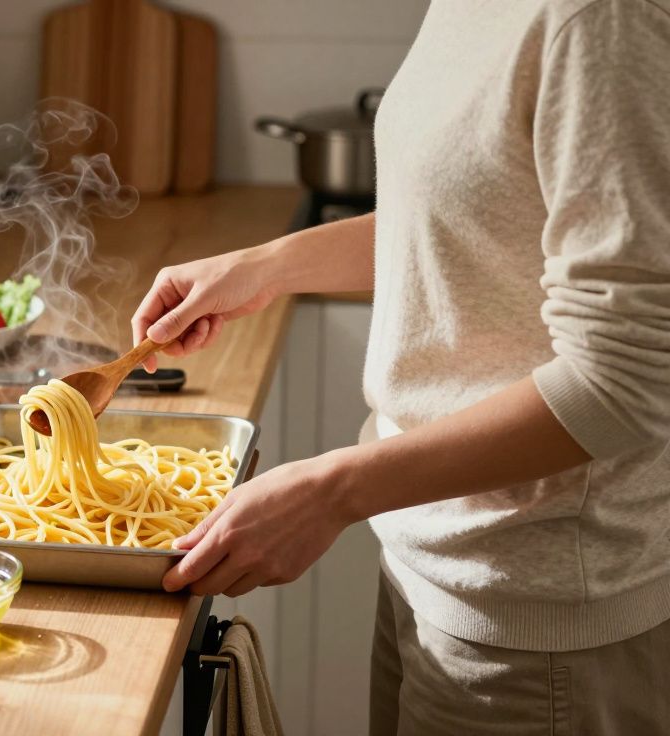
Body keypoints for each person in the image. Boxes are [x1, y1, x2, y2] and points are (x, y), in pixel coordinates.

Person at [131, 1, 670, 733]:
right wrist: (264, 266)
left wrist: (331, 492)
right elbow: (477, 212)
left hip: (536, 623)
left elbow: (624, 380)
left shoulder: (604, 18)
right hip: (433, 565)